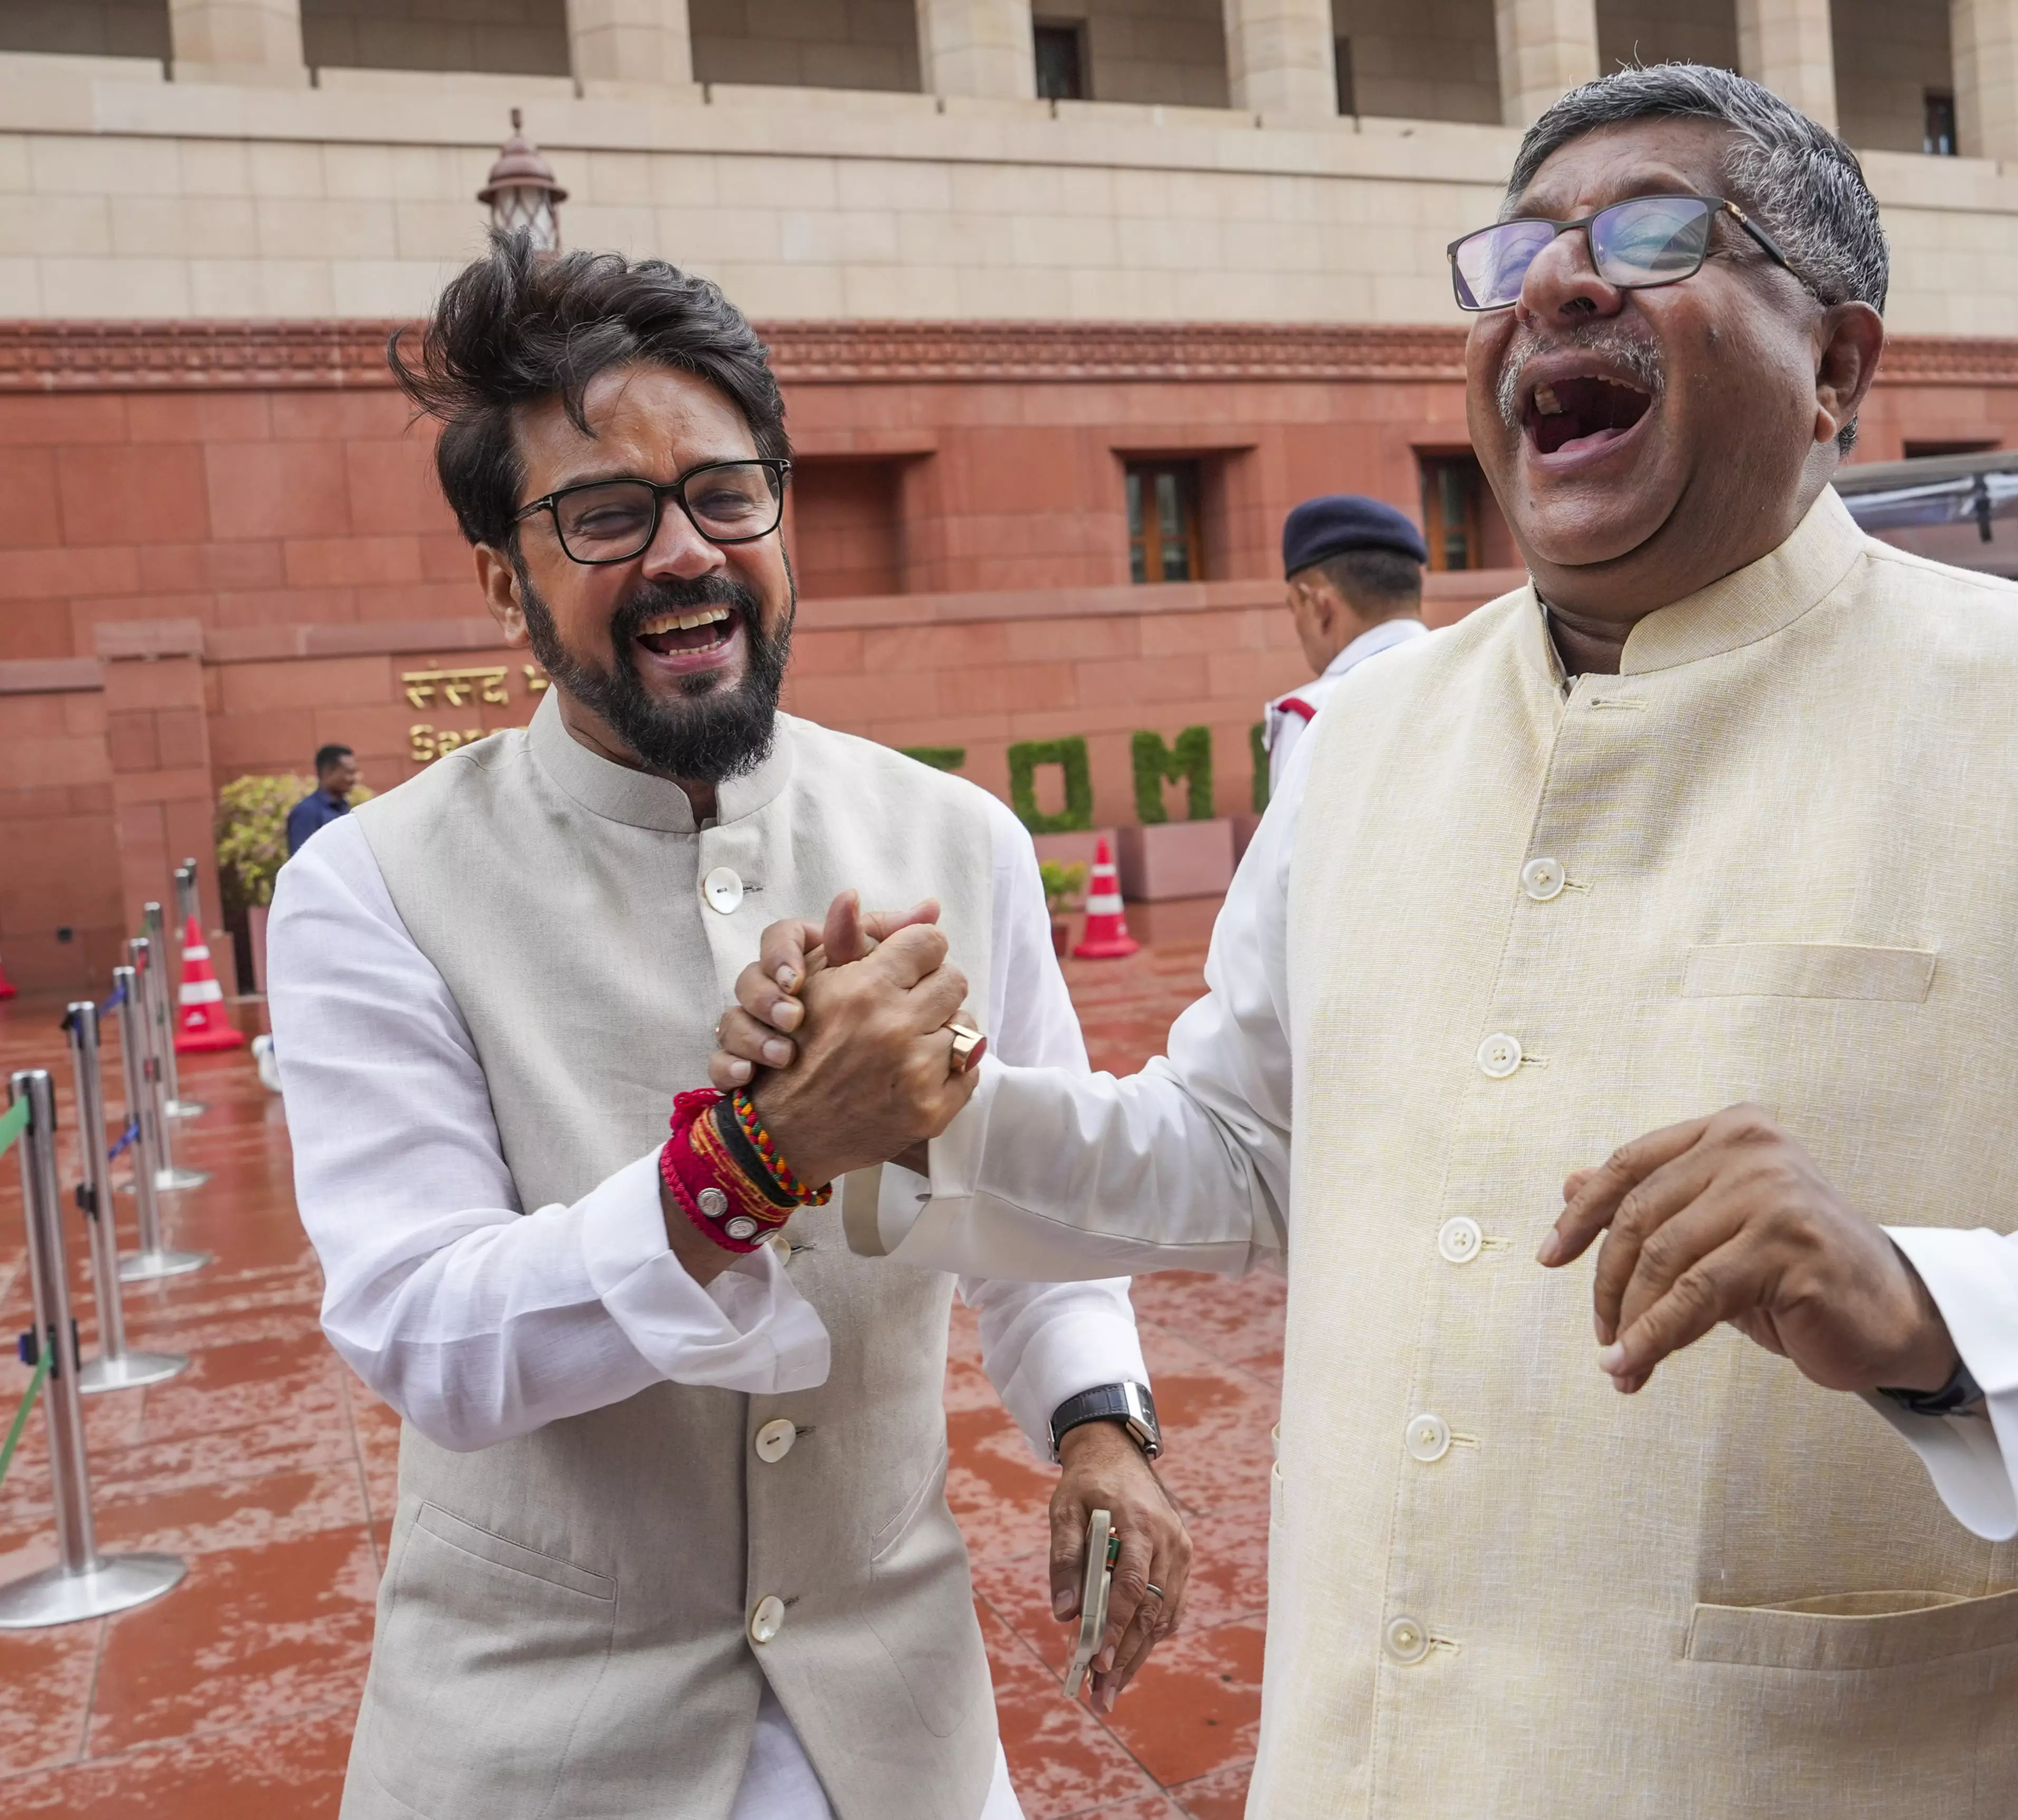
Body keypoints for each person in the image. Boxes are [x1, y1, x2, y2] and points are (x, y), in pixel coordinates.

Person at [712, 64, 2018, 1820]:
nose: (1560, 282)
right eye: (1520, 251)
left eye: (1650, 235)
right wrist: (920, 1109)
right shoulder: (1367, 741)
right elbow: (1246, 1156)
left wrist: (1927, 1305)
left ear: (1839, 370)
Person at [266, 235, 1189, 1820]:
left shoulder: (953, 838)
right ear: (504, 577)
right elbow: (430, 1337)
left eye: (726, 493)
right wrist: (750, 1164)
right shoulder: (375, 887)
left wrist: (1102, 1426)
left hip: (901, 1732)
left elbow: (1038, 1220)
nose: (685, 551)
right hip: (538, 1750)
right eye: (605, 516)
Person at [1260, 495, 1430, 796]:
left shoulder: (1313, 715)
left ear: (1319, 605)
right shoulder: (1489, 683)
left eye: (1293, 607)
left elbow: (1293, 844)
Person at [284, 743, 360, 854]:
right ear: (328, 772)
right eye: (349, 772)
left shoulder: (343, 808)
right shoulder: (307, 812)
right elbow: (302, 862)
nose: (354, 779)